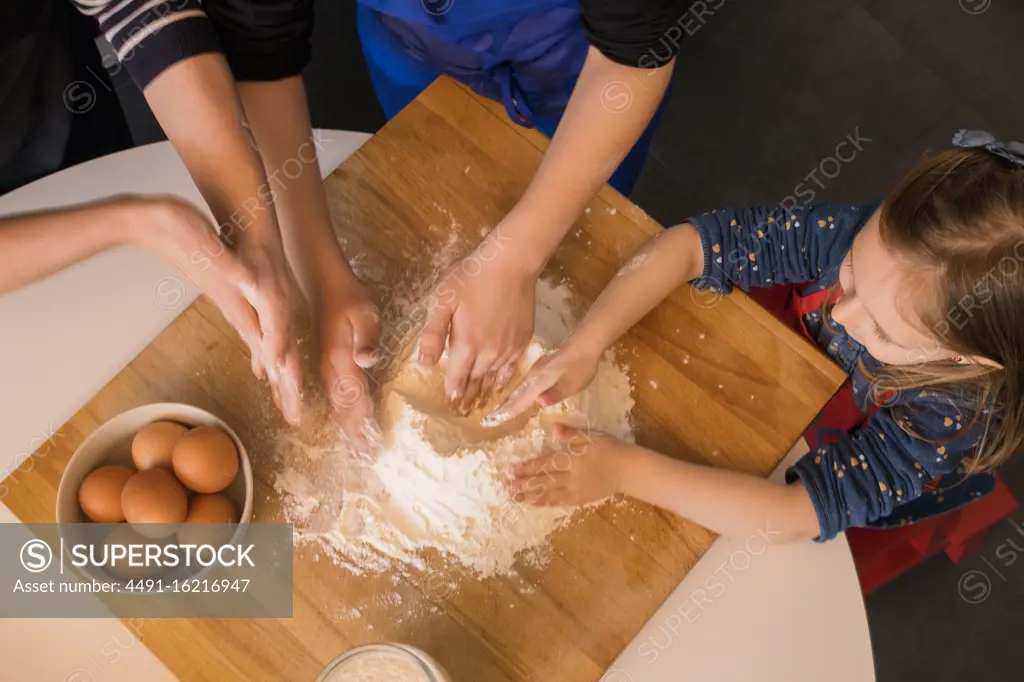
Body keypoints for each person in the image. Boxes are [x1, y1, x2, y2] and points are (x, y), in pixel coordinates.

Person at [493, 130, 1024, 542]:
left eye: (882, 331)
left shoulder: (952, 417)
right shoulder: (881, 246)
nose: (842, 314)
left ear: (964, 357)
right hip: (777, 365)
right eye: (853, 270)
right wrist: (587, 342)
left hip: (837, 450)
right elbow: (693, 245)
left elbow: (794, 515)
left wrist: (625, 471)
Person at [0, 0, 381, 447]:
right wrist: (137, 224)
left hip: (42, 88)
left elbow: (136, 7)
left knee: (103, 299)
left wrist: (255, 232)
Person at [356, 0, 702, 414]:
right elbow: (266, 41)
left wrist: (515, 260)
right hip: (411, 47)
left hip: (582, 75)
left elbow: (631, 55)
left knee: (580, 247)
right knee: (437, 190)